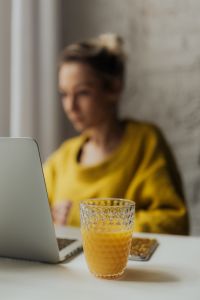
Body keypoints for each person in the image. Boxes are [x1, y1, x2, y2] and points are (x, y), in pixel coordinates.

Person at [43, 33, 189, 235]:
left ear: (113, 88)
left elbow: (174, 221)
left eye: (83, 92)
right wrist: (49, 223)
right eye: (64, 94)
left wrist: (92, 225)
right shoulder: (61, 159)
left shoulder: (145, 143)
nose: (70, 106)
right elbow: (33, 219)